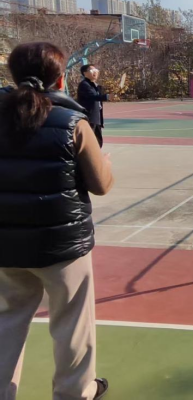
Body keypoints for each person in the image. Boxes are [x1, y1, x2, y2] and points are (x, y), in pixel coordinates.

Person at [0, 42, 113, 400]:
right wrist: (104, 163)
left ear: (13, 75)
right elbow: (101, 185)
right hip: (62, 247)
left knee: (6, 320)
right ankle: (75, 392)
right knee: (72, 323)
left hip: (6, 244)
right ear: (60, 78)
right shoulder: (73, 122)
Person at [77, 65, 109, 148]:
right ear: (85, 73)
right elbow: (93, 96)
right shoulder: (84, 85)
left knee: (98, 141)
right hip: (89, 118)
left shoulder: (96, 86)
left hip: (96, 118)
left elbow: (99, 100)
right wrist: (107, 96)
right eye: (91, 70)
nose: (95, 72)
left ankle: (96, 155)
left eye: (96, 70)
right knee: (89, 142)